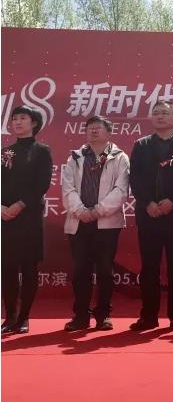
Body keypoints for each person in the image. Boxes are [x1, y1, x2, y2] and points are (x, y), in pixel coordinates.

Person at [129, 100, 173, 331]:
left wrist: (172, 201)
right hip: (148, 213)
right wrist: (147, 202)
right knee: (149, 266)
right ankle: (148, 316)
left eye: (165, 113)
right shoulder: (141, 145)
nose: (160, 116)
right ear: (151, 118)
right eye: (156, 113)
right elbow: (135, 178)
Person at [61, 115, 129, 331]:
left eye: (98, 128)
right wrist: (81, 211)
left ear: (109, 132)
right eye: (90, 128)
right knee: (80, 270)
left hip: (107, 223)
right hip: (79, 221)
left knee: (105, 270)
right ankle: (81, 315)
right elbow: (67, 188)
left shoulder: (119, 157)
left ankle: (103, 315)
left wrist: (98, 210)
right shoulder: (75, 157)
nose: (93, 131)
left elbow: (121, 190)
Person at [1, 106, 53, 334]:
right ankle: (9, 317)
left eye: (23, 118)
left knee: (28, 267)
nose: (18, 122)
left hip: (29, 217)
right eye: (14, 119)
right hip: (5, 218)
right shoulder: (5, 152)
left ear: (34, 123)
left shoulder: (42, 151)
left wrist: (20, 204)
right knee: (7, 268)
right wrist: (2, 207)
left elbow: (42, 183)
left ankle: (23, 318)